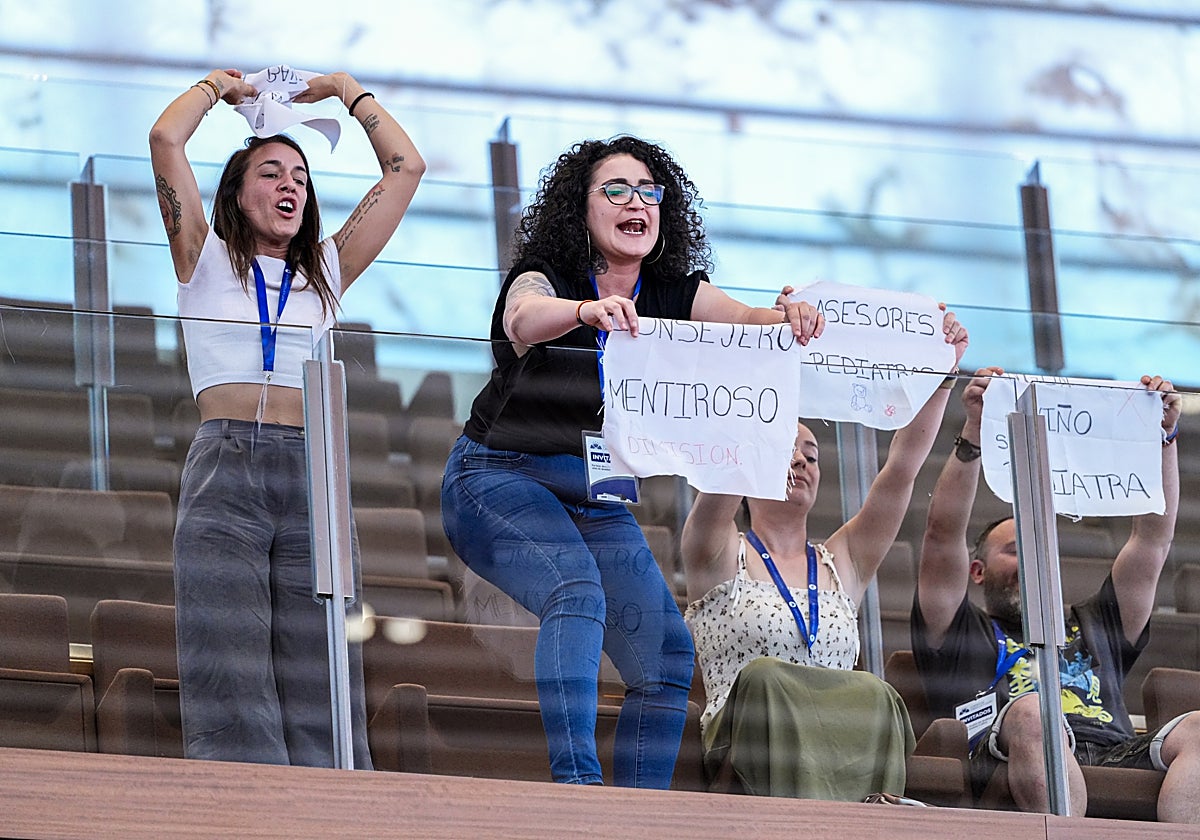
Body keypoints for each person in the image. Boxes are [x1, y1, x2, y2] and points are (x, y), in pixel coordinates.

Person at [440, 135, 824, 788]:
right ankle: (579, 795)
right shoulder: (548, 275)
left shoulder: (675, 290)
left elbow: (745, 322)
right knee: (577, 593)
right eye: (615, 190)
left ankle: (637, 817)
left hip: (596, 491)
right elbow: (522, 317)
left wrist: (787, 316)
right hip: (497, 477)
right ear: (580, 209)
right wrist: (587, 311)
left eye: (648, 191)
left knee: (669, 656)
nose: (635, 202)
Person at [150, 68, 424, 766]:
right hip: (226, 467)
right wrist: (219, 87)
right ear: (237, 196)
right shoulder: (203, 260)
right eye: (271, 173)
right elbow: (165, 137)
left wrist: (344, 89)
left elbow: (405, 166)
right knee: (232, 676)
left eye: (299, 176)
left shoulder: (325, 271)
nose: (290, 186)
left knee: (321, 675)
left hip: (313, 471)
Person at [679, 313, 968, 801]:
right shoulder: (718, 551)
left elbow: (901, 471)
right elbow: (727, 464)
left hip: (840, 745)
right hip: (747, 748)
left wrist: (940, 375)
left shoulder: (843, 561)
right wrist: (766, 370)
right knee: (767, 678)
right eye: (784, 448)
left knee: (878, 694)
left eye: (811, 455)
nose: (800, 462)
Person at [912, 369, 1200, 822]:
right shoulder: (957, 629)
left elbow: (1152, 542)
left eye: (1036, 547)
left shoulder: (1096, 622)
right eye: (1014, 550)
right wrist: (973, 433)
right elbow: (941, 534)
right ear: (978, 572)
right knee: (1032, 712)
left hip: (1112, 750)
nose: (1029, 559)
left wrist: (1162, 439)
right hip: (1005, 752)